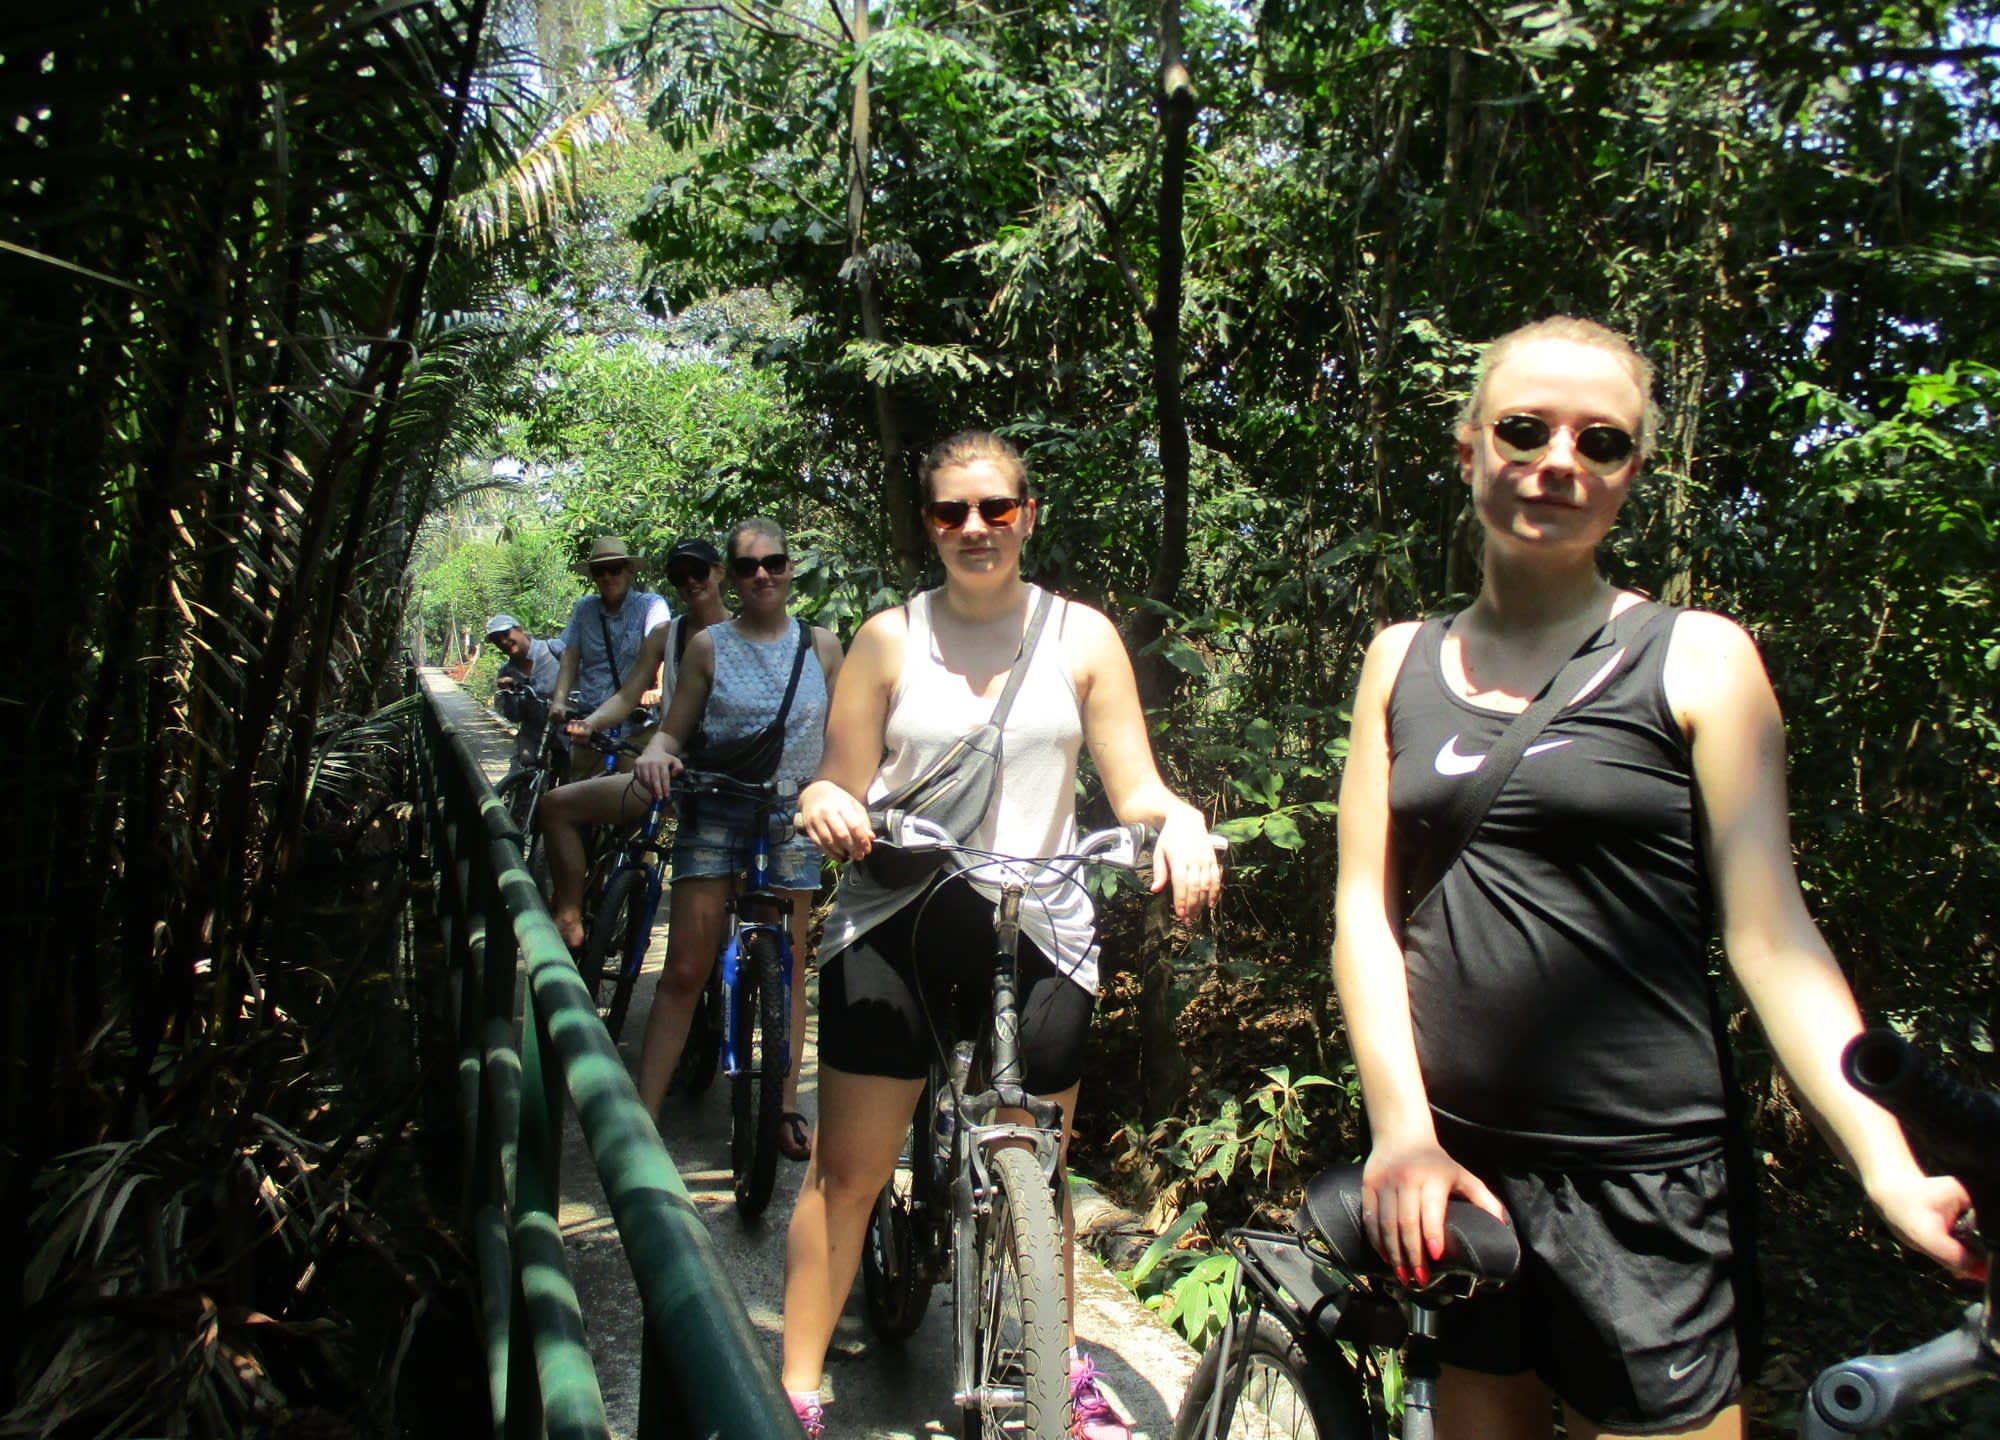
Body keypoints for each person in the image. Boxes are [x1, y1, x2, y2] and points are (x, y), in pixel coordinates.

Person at [1330, 316, 1983, 1440]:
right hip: (1457, 1168)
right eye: (1525, 429)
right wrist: (1402, 1133)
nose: (1559, 462)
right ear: (1469, 446)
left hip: (1644, 1179)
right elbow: (1363, 912)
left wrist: (1886, 1162)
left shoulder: (1698, 656)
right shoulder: (1399, 659)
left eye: (1601, 442)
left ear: (1631, 474)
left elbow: (1772, 937)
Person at [781, 430, 1223, 1440]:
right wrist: (825, 802)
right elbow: (837, 778)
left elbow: (1137, 787)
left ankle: (1056, 1369)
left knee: (1039, 1162)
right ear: (928, 525)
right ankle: (795, 1390)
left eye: (995, 508)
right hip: (899, 909)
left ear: (1027, 515)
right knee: (849, 1172)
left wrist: (1181, 823)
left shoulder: (1081, 637)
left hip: (1039, 913)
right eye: (952, 511)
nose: (975, 527)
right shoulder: (888, 638)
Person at [579, 518, 841, 1149]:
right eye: (748, 566)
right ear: (733, 573)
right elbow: (674, 728)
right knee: (685, 969)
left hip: (792, 815)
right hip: (716, 806)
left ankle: (784, 1108)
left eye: (773, 563)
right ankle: (641, 1122)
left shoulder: (823, 646)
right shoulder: (708, 646)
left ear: (790, 567)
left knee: (788, 965)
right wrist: (655, 753)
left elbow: (843, 736)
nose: (762, 576)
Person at [538, 537, 733, 950]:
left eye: (698, 572)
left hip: (725, 782)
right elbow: (628, 695)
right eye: (679, 577)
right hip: (669, 774)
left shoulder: (745, 633)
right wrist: (589, 723)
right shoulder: (666, 634)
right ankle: (569, 918)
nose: (690, 582)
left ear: (719, 573)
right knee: (556, 805)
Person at [549, 536, 670, 779]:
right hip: (589, 724)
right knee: (582, 794)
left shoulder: (650, 606)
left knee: (633, 793)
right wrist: (559, 701)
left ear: (629, 570)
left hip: (637, 726)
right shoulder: (585, 609)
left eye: (613, 569)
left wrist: (659, 689)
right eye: (599, 571)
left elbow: (660, 647)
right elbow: (570, 657)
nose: (606, 577)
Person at [486, 613, 566, 773]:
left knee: (572, 776)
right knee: (523, 771)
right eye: (496, 640)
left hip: (567, 730)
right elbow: (513, 717)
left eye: (506, 634)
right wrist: (507, 693)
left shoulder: (553, 649)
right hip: (533, 735)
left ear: (520, 629)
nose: (503, 642)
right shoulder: (506, 671)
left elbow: (585, 672)